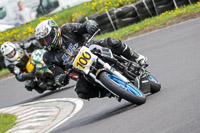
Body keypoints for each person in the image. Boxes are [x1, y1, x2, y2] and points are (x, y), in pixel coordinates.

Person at [34, 19, 147, 99]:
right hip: (81, 71)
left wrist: (89, 25)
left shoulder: (66, 29)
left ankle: (136, 57)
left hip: (91, 47)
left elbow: (83, 26)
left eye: (47, 39)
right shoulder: (48, 57)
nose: (46, 43)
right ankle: (108, 91)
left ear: (55, 32)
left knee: (113, 42)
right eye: (42, 41)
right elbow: (57, 73)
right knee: (81, 92)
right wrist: (61, 78)